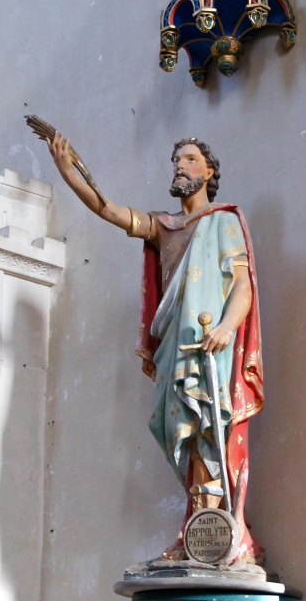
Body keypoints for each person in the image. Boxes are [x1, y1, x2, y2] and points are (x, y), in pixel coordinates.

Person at [47, 133, 264, 563]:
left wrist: (225, 327)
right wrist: (67, 171)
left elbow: (242, 286)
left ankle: (216, 532)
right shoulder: (163, 226)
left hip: (209, 347)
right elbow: (109, 209)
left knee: (209, 431)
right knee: (179, 433)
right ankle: (201, 530)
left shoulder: (224, 221)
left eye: (189, 159)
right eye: (176, 160)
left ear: (209, 171)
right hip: (175, 346)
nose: (180, 166)